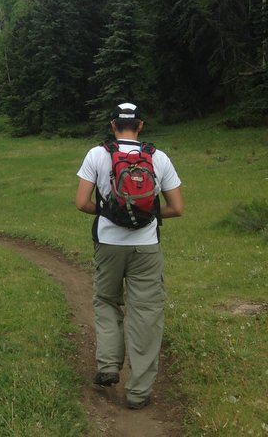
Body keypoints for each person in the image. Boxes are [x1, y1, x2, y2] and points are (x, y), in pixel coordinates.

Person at [75, 103, 184, 410]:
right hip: (147, 246)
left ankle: (109, 365)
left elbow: (82, 203)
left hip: (108, 243)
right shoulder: (158, 157)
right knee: (146, 313)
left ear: (113, 125)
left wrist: (112, 212)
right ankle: (138, 393)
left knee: (107, 300)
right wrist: (144, 214)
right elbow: (177, 208)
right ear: (141, 125)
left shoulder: (97, 154)